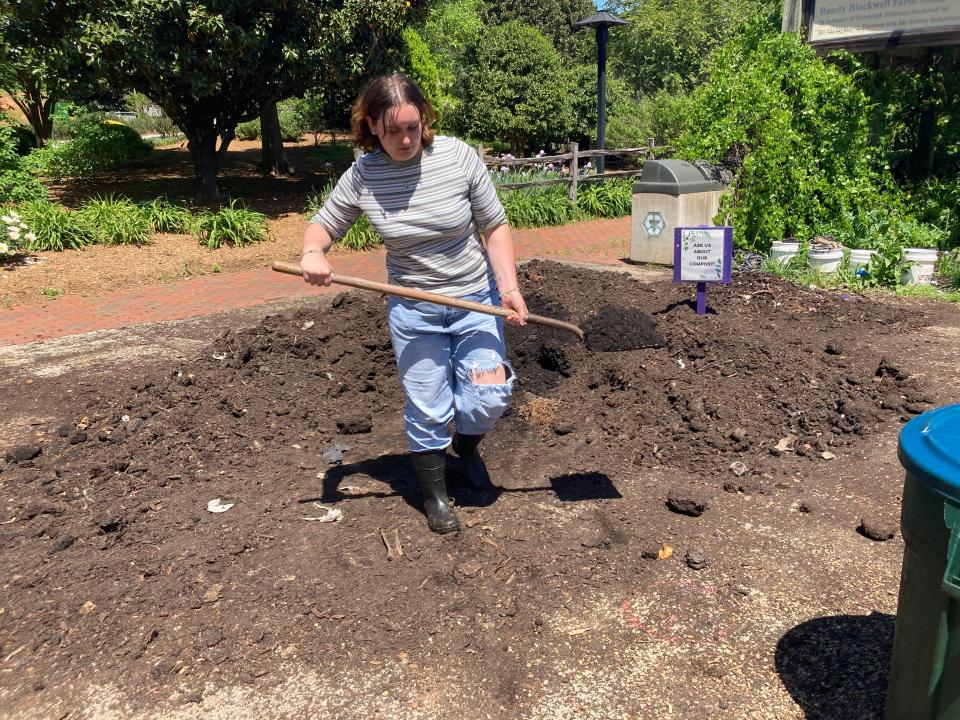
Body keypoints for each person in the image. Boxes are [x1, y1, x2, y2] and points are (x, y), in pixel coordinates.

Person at [300, 73, 528, 534]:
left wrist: (508, 287)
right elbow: (323, 226)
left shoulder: (458, 157)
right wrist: (312, 253)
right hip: (414, 308)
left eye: (413, 127)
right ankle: (435, 495)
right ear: (372, 126)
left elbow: (495, 227)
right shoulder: (364, 174)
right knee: (427, 406)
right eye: (393, 130)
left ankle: (467, 448)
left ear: (424, 119)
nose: (405, 139)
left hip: (474, 299)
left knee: (489, 392)